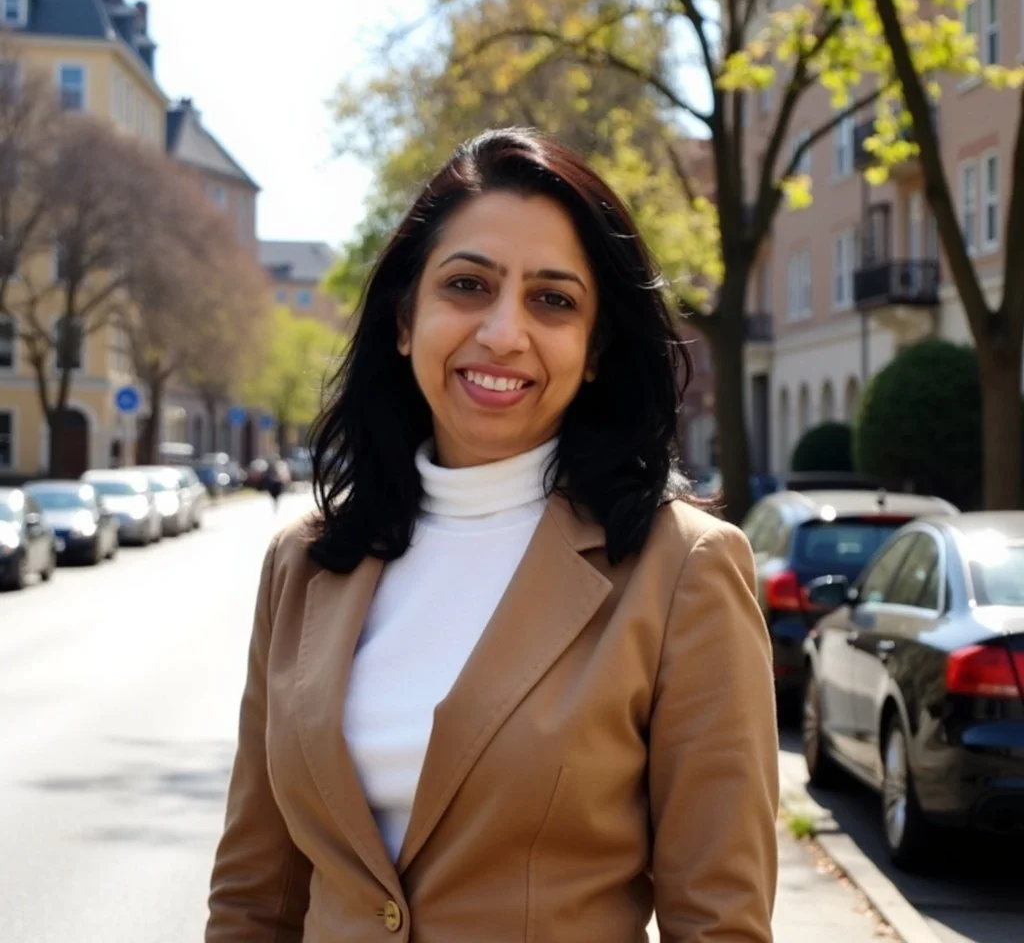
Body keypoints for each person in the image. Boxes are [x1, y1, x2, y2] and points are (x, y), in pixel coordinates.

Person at [206, 129, 779, 942]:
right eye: (468, 285)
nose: (504, 332)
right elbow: (252, 899)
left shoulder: (681, 568)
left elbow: (718, 922)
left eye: (553, 300)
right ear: (406, 319)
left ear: (592, 350)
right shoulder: (303, 563)